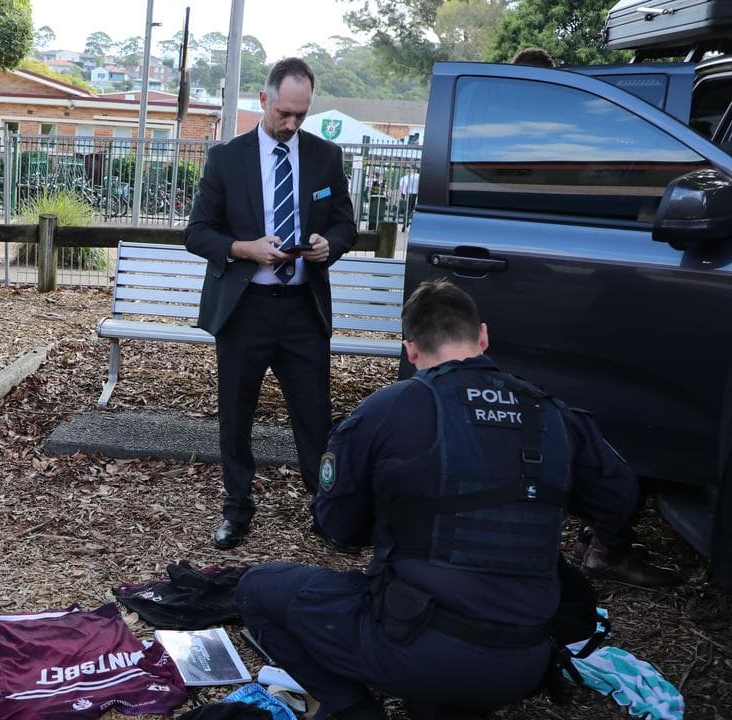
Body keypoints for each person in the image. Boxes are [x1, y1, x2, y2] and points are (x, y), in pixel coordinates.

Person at [236, 280, 683, 720]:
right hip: (525, 660)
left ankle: (356, 711)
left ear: (410, 350)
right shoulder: (551, 412)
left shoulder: (387, 410)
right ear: (483, 336)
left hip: (417, 645)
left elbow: (339, 527)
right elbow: (619, 498)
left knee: (256, 590)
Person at [184, 57, 357, 550]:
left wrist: (331, 246)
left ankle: (325, 509)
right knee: (235, 415)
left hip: (303, 307)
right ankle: (237, 509)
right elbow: (197, 233)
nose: (292, 124)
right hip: (245, 309)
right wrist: (245, 249)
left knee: (315, 417)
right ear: (263, 101)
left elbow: (346, 224)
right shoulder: (226, 158)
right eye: (284, 113)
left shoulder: (326, 158)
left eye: (301, 115)